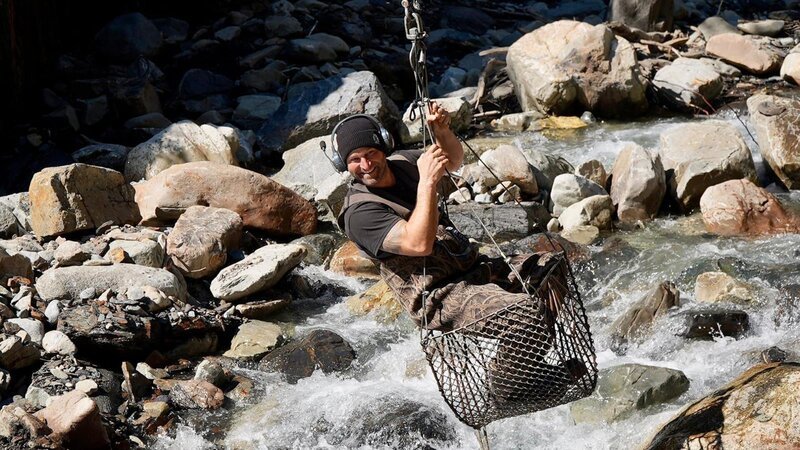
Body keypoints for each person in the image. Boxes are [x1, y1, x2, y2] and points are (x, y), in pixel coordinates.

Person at [331, 103, 586, 405]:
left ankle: (519, 369)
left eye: (370, 153)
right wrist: (426, 181)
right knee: (523, 313)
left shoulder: (405, 162)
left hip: (471, 267)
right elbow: (418, 244)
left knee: (550, 268)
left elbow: (453, 159)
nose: (366, 164)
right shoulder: (359, 213)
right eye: (355, 160)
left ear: (383, 147)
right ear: (344, 165)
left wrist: (441, 131)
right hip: (438, 294)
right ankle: (507, 392)